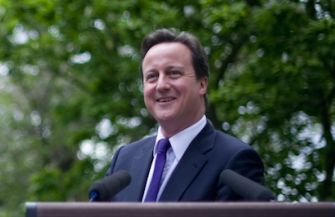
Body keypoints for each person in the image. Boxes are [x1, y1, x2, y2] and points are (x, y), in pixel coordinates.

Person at [106, 28, 265, 202]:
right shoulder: (124, 160)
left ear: (202, 84)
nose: (161, 85)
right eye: (152, 76)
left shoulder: (234, 161)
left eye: (174, 73)